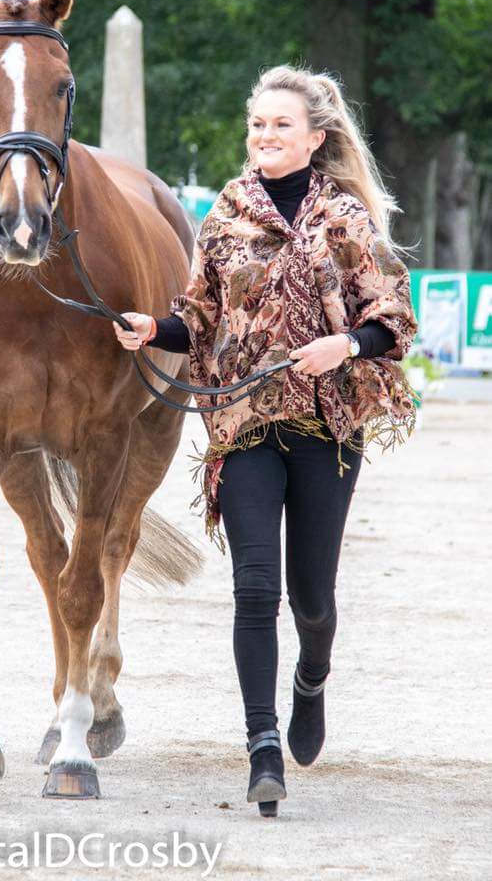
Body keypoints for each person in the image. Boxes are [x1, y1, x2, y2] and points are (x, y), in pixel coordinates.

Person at [112, 65, 419, 817]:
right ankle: (262, 746)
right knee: (255, 590)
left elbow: (393, 319)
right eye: (257, 125)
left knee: (312, 598)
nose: (265, 137)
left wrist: (342, 346)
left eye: (281, 125)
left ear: (315, 138)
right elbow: (200, 318)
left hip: (326, 429)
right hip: (243, 426)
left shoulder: (345, 217)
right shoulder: (224, 216)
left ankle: (312, 676)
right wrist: (156, 329)